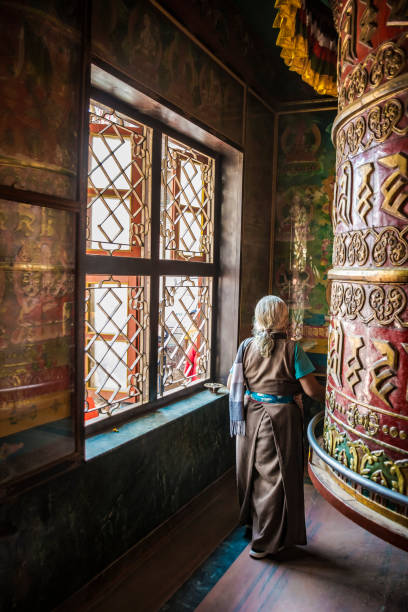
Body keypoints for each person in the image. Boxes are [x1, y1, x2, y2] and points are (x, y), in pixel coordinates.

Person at [228, 295, 324, 559]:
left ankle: (256, 526)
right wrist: (331, 397)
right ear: (284, 318)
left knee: (254, 476)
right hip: (280, 420)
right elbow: (312, 390)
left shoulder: (245, 346)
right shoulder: (293, 350)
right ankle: (265, 543)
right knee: (275, 480)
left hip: (249, 417)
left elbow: (232, 386)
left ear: (258, 318)